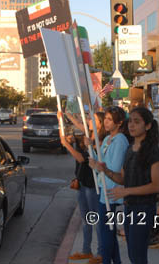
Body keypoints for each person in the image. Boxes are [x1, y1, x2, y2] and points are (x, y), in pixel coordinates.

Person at [92, 107, 159, 264]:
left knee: (138, 256)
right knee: (132, 253)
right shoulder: (130, 149)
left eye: (137, 122)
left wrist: (127, 191)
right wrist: (106, 170)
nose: (132, 125)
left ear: (148, 125)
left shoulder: (152, 151)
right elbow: (123, 178)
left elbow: (157, 185)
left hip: (144, 208)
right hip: (130, 207)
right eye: (130, 121)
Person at [61, 112, 106, 263]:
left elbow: (81, 159)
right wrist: (65, 116)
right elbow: (79, 126)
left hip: (93, 186)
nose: (89, 120)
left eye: (93, 119)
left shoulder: (99, 141)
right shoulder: (89, 135)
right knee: (86, 219)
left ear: (99, 123)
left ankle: (101, 253)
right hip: (82, 183)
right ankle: (87, 250)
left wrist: (66, 144)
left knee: (96, 220)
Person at [88, 106, 129, 264]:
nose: (105, 122)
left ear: (119, 123)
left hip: (110, 191)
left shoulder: (120, 141)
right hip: (102, 188)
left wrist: (100, 167)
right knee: (108, 233)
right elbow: (102, 163)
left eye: (109, 119)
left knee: (106, 234)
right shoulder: (106, 139)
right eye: (105, 118)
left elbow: (113, 168)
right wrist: (92, 152)